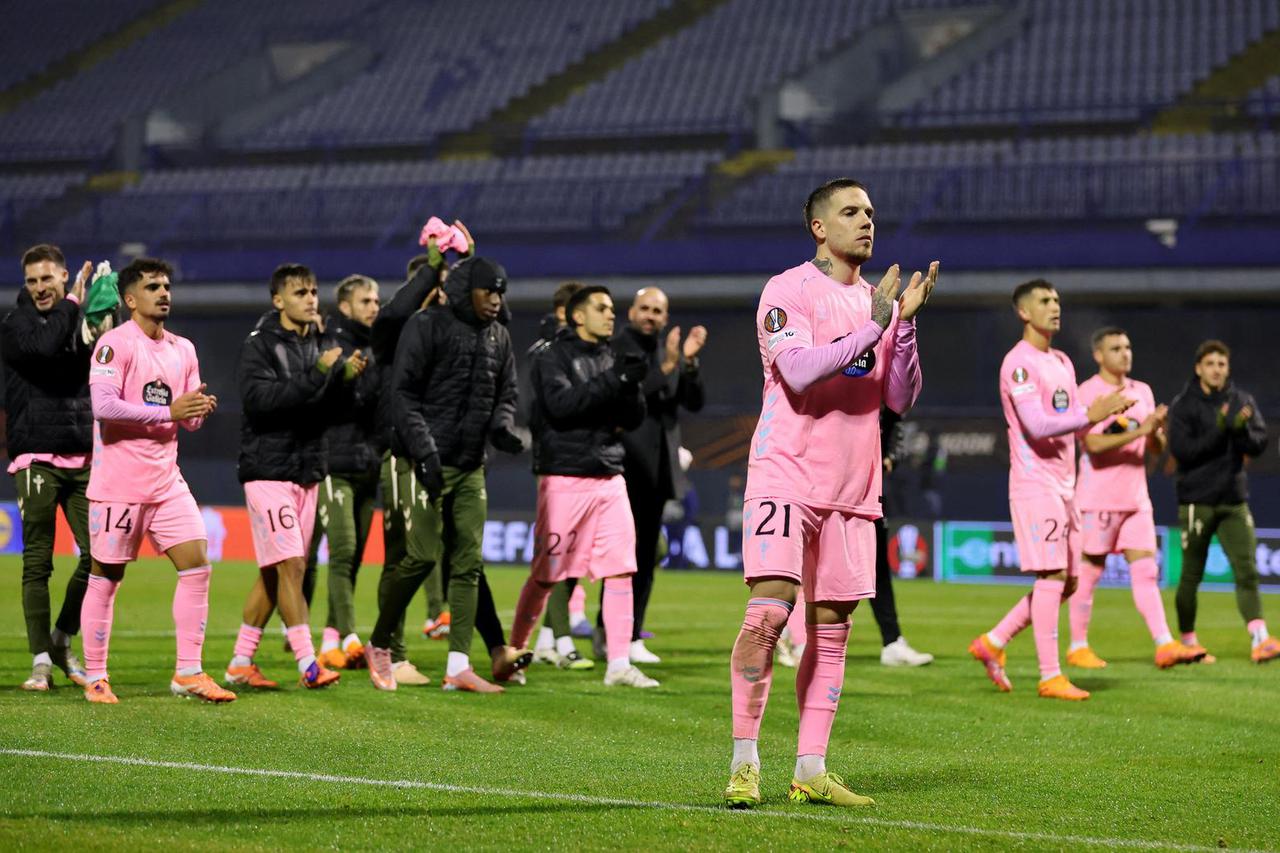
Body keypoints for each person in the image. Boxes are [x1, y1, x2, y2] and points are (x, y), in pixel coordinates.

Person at [723, 178, 934, 809]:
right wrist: (874, 328)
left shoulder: (880, 303)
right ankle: (743, 763)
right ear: (819, 227)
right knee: (768, 615)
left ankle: (810, 769)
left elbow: (899, 395)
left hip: (853, 488)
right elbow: (799, 371)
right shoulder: (787, 291)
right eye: (850, 212)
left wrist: (904, 328)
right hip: (786, 472)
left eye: (870, 211)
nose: (866, 221)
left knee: (833, 628)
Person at [365, 255, 530, 693]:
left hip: (470, 463)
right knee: (418, 557)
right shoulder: (425, 326)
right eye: (488, 291)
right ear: (464, 291)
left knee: (468, 565)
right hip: (419, 461)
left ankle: (458, 665)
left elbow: (506, 392)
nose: (496, 300)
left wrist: (501, 428)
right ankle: (380, 643)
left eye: (501, 292)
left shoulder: (499, 336)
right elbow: (404, 394)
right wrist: (425, 453)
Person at [78, 257, 234, 703]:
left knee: (197, 566)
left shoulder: (183, 348)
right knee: (105, 578)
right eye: (152, 287)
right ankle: (96, 676)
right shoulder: (113, 344)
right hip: (119, 484)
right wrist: (168, 412)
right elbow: (104, 406)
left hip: (167, 481)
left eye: (166, 286)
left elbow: (187, 420)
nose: (163, 293)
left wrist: (196, 413)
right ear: (130, 299)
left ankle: (188, 672)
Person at [968, 280, 1131, 703]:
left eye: (1057, 300)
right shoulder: (1018, 364)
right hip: (1033, 483)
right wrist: (1088, 413)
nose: (1054, 307)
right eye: (1044, 301)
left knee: (1070, 581)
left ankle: (994, 641)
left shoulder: (1061, 360)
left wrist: (1106, 419)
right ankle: (1050, 675)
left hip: (1065, 486)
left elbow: (1071, 423)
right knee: (1053, 576)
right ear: (1024, 312)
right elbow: (1038, 425)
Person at [507, 285, 658, 689]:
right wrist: (614, 382)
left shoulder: (613, 357)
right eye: (602, 308)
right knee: (547, 574)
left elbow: (634, 416)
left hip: (609, 475)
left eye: (611, 308)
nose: (612, 315)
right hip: (564, 477)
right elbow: (562, 407)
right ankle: (515, 651)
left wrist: (626, 384)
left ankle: (619, 664)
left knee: (622, 570)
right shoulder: (549, 356)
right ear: (578, 316)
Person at [225, 263, 365, 690]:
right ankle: (308, 662)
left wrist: (342, 379)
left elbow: (328, 411)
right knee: (292, 565)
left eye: (313, 291)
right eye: (300, 292)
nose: (310, 299)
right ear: (278, 300)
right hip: (268, 469)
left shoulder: (321, 343)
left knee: (274, 572)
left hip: (308, 470)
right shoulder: (260, 346)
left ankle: (240, 662)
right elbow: (261, 402)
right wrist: (320, 373)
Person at [1069, 328, 1203, 669]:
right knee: (1089, 572)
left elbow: (1152, 448)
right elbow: (1093, 445)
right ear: (1099, 355)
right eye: (1116, 348)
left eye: (1128, 347)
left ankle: (1164, 644)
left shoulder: (1141, 390)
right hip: (1098, 497)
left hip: (1136, 497)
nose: (1125, 353)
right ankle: (1077, 646)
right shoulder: (1088, 392)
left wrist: (1157, 431)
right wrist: (1141, 430)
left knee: (1145, 570)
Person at [2, 244, 98, 690]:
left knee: (99, 555)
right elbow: (43, 349)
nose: (40, 288)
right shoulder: (15, 325)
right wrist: (76, 303)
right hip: (35, 453)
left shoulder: (80, 319)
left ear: (63, 276)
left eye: (47, 279)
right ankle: (41, 659)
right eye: (32, 281)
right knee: (38, 560)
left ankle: (61, 638)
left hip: (82, 453)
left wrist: (100, 311)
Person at [777, 408, 934, 669]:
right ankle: (796, 633)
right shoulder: (831, 375)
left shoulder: (879, 376)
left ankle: (892, 641)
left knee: (876, 563)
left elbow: (895, 415)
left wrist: (890, 456)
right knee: (810, 555)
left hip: (864, 477)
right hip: (821, 471)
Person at [605, 286, 706, 665]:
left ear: (665, 317)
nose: (650, 316)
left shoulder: (670, 350)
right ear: (632, 312)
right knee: (619, 555)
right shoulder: (618, 347)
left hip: (659, 468)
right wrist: (665, 369)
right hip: (625, 465)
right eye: (644, 308)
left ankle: (628, 634)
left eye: (657, 311)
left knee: (645, 555)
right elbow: (623, 396)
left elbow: (693, 402)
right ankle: (575, 633)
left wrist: (690, 364)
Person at [1167, 340, 1278, 663]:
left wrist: (1240, 432)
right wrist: (1220, 428)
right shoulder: (1184, 405)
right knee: (1191, 575)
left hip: (1233, 499)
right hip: (1196, 500)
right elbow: (1184, 452)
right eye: (1211, 363)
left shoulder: (1241, 400)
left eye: (1222, 364)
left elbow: (1258, 444)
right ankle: (1189, 641)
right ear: (1198, 368)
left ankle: (1261, 638)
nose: (1217, 369)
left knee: (1247, 570)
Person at [313, 274, 383, 671]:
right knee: (340, 551)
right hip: (333, 463)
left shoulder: (377, 347)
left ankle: (328, 639)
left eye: (376, 300)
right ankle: (352, 636)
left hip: (366, 463)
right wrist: (341, 377)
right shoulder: (330, 345)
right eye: (366, 301)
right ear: (345, 306)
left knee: (353, 557)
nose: (374, 306)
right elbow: (321, 399)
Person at [527, 281, 598, 671]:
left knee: (573, 556)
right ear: (564, 313)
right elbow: (542, 409)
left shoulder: (592, 353)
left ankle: (547, 638)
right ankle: (560, 638)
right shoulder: (545, 354)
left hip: (587, 464)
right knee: (557, 555)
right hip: (556, 464)